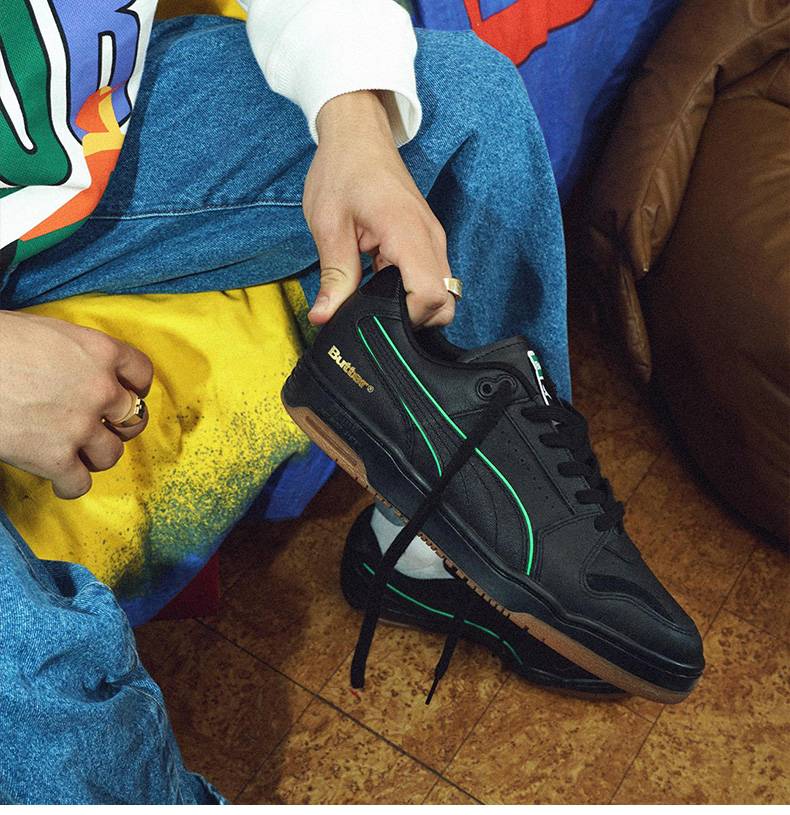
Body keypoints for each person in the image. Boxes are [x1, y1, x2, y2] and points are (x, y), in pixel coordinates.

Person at [0, 0, 568, 803]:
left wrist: (353, 114)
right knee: (40, 696)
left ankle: (432, 554)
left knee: (468, 104)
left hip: (68, 151)